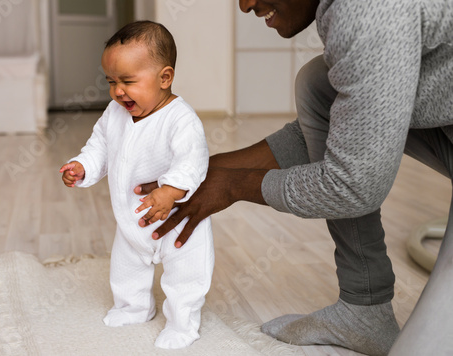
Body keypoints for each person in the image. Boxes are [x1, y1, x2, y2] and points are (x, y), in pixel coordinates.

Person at [134, 1, 453, 355]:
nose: (245, 4)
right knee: (318, 84)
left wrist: (235, 186)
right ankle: (365, 309)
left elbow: (351, 185)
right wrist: (211, 172)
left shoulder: (367, 10)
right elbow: (346, 130)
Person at [59, 21, 214, 350]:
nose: (117, 91)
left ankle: (183, 323)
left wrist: (170, 191)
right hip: (133, 216)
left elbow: (193, 159)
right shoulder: (114, 114)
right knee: (126, 266)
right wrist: (82, 167)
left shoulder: (180, 119)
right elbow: (99, 147)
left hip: (178, 219)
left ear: (165, 78)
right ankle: (133, 307)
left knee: (186, 276)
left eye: (128, 81)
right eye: (111, 81)